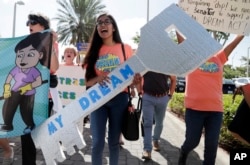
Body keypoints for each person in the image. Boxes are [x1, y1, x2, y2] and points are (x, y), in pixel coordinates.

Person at [82, 13, 141, 165]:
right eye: (99, 22)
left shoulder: (125, 48)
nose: (102, 25)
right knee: (97, 143)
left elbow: (132, 77)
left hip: (120, 100)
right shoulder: (93, 51)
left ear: (113, 27)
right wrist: (97, 79)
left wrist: (135, 82)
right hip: (98, 100)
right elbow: (86, 81)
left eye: (106, 22)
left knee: (114, 143)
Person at [178, 34, 244, 165]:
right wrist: (175, 22)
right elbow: (181, 41)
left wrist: (243, 29)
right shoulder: (192, 58)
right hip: (194, 109)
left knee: (212, 146)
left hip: (215, 111)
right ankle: (184, 151)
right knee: (192, 141)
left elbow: (233, 44)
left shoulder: (219, 58)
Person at [21, 13, 59, 165]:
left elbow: (54, 68)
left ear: (43, 25)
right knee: (26, 136)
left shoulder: (50, 42)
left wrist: (51, 44)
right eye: (28, 22)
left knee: (42, 134)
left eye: (32, 22)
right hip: (27, 95)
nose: (28, 25)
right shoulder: (24, 43)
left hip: (44, 97)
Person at [139, 72, 176, 160]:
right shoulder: (147, 64)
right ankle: (147, 150)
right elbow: (138, 77)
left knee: (159, 123)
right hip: (148, 97)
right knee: (148, 123)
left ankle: (155, 140)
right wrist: (140, 92)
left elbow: (174, 79)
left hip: (163, 98)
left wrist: (170, 95)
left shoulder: (166, 65)